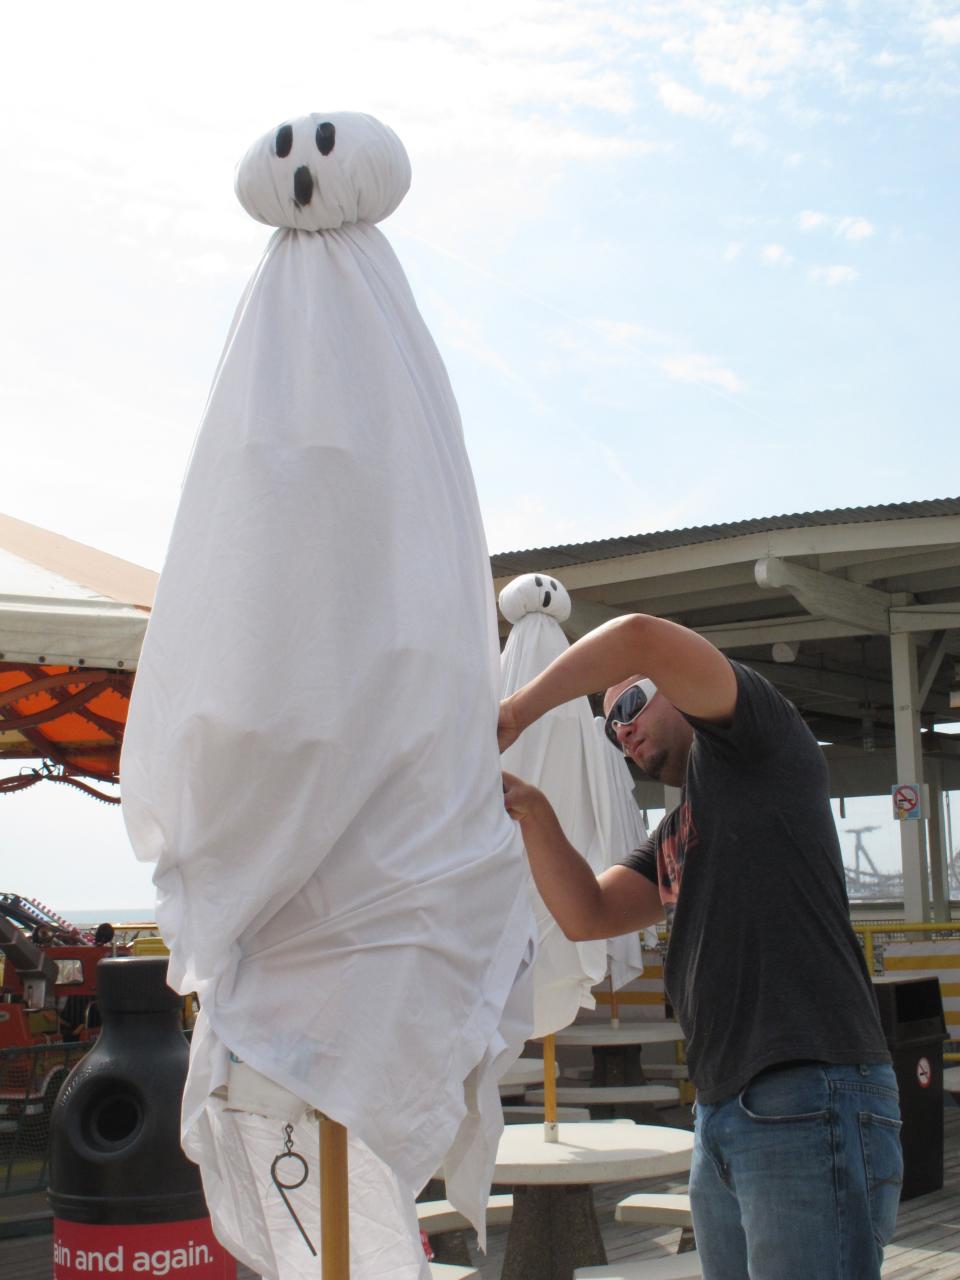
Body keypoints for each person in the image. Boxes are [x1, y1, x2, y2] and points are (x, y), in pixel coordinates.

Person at [498, 612, 902, 1280]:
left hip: (806, 1089)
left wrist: (516, 711)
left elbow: (639, 636)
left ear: (675, 686)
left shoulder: (757, 737)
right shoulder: (683, 825)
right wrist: (532, 810)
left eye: (628, 703)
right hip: (722, 1109)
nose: (621, 729)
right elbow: (586, 913)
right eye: (609, 725)